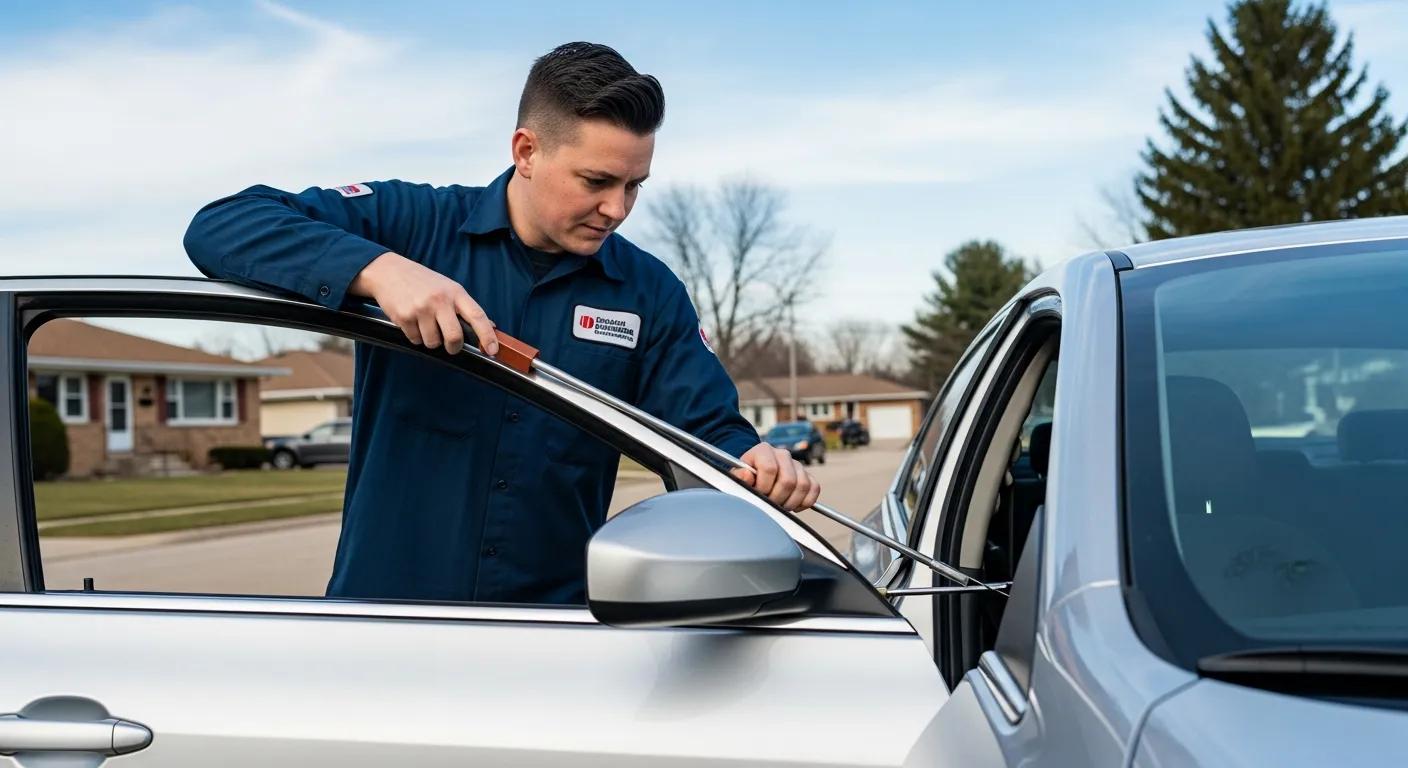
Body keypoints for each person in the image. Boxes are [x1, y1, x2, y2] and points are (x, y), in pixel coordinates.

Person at [184, 42, 820, 605]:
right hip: (383, 620)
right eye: (596, 181)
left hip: (550, 633)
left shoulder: (648, 292)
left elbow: (708, 435)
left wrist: (755, 461)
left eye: (634, 186)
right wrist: (380, 271)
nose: (617, 208)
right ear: (526, 151)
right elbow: (221, 225)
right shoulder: (414, 225)